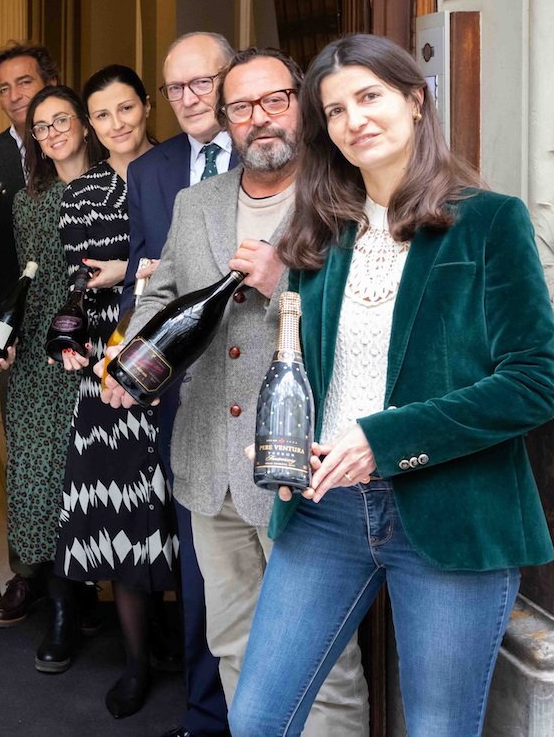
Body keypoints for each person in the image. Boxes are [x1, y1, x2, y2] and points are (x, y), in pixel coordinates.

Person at [230, 34, 554, 736]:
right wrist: (289, 449)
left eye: (370, 97)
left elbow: (532, 384)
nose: (356, 120)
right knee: (258, 718)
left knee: (439, 728)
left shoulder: (489, 223)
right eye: (337, 110)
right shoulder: (319, 233)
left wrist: (386, 440)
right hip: (327, 511)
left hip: (451, 512)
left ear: (415, 100)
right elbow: (302, 367)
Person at [104, 48, 369, 735]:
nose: (260, 119)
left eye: (274, 100)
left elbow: (369, 320)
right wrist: (130, 361)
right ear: (226, 121)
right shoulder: (198, 204)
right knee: (234, 646)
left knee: (325, 662)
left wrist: (283, 280)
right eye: (242, 107)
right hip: (210, 469)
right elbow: (161, 297)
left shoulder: (345, 197)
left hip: (303, 465)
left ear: (301, 101)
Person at [123, 32, 236, 737]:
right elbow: (148, 276)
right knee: (202, 567)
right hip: (183, 398)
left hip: (259, 393)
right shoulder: (154, 170)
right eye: (176, 87)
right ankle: (205, 716)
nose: (189, 99)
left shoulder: (269, 154)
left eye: (202, 83)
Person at [52, 65, 174, 718]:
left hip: (181, 364)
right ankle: (135, 663)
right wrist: (70, 349)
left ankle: (178, 639)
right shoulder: (81, 195)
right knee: (124, 521)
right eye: (103, 115)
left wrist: (130, 269)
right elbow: (85, 284)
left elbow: (185, 268)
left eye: (126, 108)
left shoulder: (182, 170)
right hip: (108, 370)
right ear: (91, 127)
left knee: (179, 519)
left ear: (145, 106)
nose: (117, 123)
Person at [0, 86, 102, 672]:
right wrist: (2, 339)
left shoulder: (114, 185)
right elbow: (24, 282)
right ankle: (60, 604)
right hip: (37, 355)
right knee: (38, 475)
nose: (51, 132)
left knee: (87, 477)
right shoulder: (30, 198)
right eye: (40, 126)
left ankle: (91, 596)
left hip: (99, 346)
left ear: (84, 124)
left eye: (61, 120)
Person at [0, 41, 59, 627]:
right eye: (3, 89)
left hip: (83, 330)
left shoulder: (85, 142)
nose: (13, 97)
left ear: (49, 82)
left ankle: (79, 583)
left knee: (76, 461)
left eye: (23, 83)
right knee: (24, 460)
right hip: (17, 335)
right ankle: (26, 577)